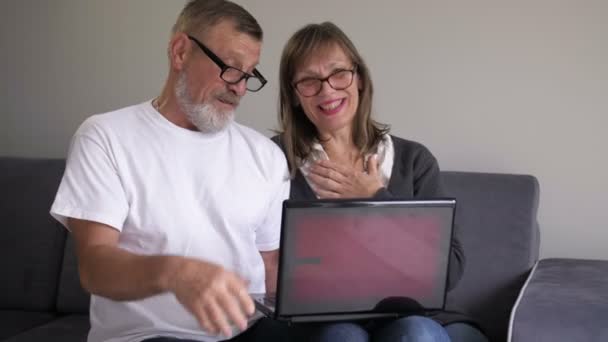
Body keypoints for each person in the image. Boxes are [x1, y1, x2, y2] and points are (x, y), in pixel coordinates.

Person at [50, 1, 290, 341]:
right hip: (149, 335)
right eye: (232, 68)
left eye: (249, 74)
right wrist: (175, 271)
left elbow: (270, 269)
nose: (239, 87)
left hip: (248, 331)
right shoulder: (106, 136)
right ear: (180, 52)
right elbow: (94, 266)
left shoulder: (265, 155)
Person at [272, 22, 488, 342]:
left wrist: (376, 199)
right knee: (341, 338)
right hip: (323, 319)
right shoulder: (274, 160)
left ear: (359, 78)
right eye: (309, 80)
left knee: (416, 333)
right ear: (293, 94)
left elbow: (450, 270)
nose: (327, 89)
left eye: (338, 73)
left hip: (418, 314)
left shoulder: (415, 160)